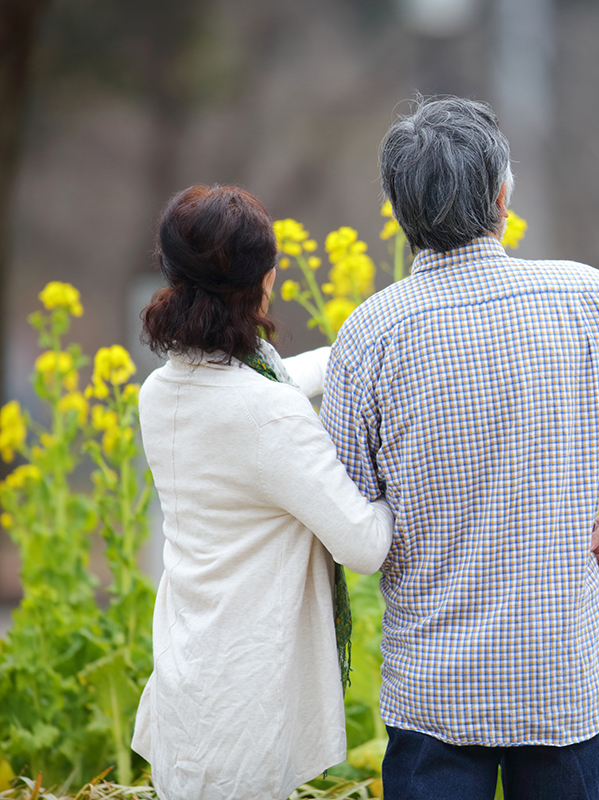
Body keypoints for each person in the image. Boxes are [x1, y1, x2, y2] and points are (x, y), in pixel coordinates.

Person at [320, 96, 599, 800]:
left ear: (398, 213)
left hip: (435, 696)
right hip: (564, 684)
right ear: (501, 198)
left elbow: (351, 520)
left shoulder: (369, 337)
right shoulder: (592, 303)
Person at [131, 184, 395, 800]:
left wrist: (350, 354)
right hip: (245, 713)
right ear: (267, 279)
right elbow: (363, 544)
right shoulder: (265, 414)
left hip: (191, 685)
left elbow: (271, 389)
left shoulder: (163, 390)